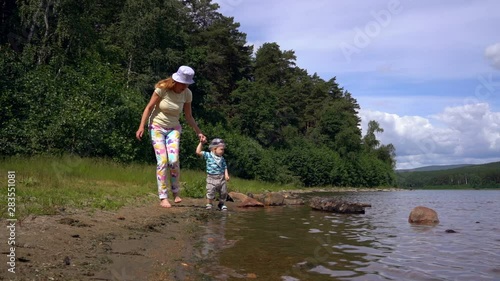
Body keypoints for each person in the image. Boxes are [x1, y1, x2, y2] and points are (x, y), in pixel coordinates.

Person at [136, 65, 206, 208]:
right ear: (176, 81)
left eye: (188, 84)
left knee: (173, 160)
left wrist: (198, 131)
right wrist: (141, 126)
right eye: (183, 83)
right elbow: (149, 107)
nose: (185, 86)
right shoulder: (162, 89)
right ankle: (163, 197)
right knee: (163, 161)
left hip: (174, 128)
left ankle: (175, 192)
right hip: (156, 127)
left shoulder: (187, 94)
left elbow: (188, 116)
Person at [196, 138, 230, 210]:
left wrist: (226, 175)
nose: (223, 151)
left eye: (223, 149)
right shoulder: (208, 155)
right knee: (210, 191)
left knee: (223, 192)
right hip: (211, 177)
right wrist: (201, 143)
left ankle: (221, 204)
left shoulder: (222, 158)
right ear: (214, 149)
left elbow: (225, 167)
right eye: (221, 149)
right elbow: (198, 152)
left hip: (221, 178)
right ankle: (209, 203)